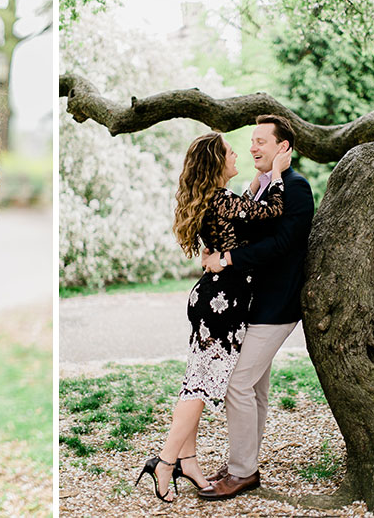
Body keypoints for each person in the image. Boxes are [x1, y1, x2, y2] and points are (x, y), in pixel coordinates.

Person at [135, 131, 292, 502]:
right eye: (230, 151)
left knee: (197, 382)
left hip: (211, 298)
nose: (238, 154)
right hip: (222, 305)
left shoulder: (216, 199)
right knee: (202, 387)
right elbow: (271, 212)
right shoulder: (222, 200)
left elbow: (238, 226)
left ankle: (187, 461)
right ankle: (165, 461)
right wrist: (278, 175)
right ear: (217, 163)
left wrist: (255, 184)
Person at [198, 115, 314, 500]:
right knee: (256, 388)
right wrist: (213, 247)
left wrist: (227, 259)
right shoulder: (261, 189)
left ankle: (242, 471)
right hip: (251, 304)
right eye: (251, 141)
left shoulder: (296, 188)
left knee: (237, 384)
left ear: (284, 148)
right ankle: (244, 461)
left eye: (262, 141)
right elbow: (238, 223)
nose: (253, 148)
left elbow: (280, 246)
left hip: (276, 305)